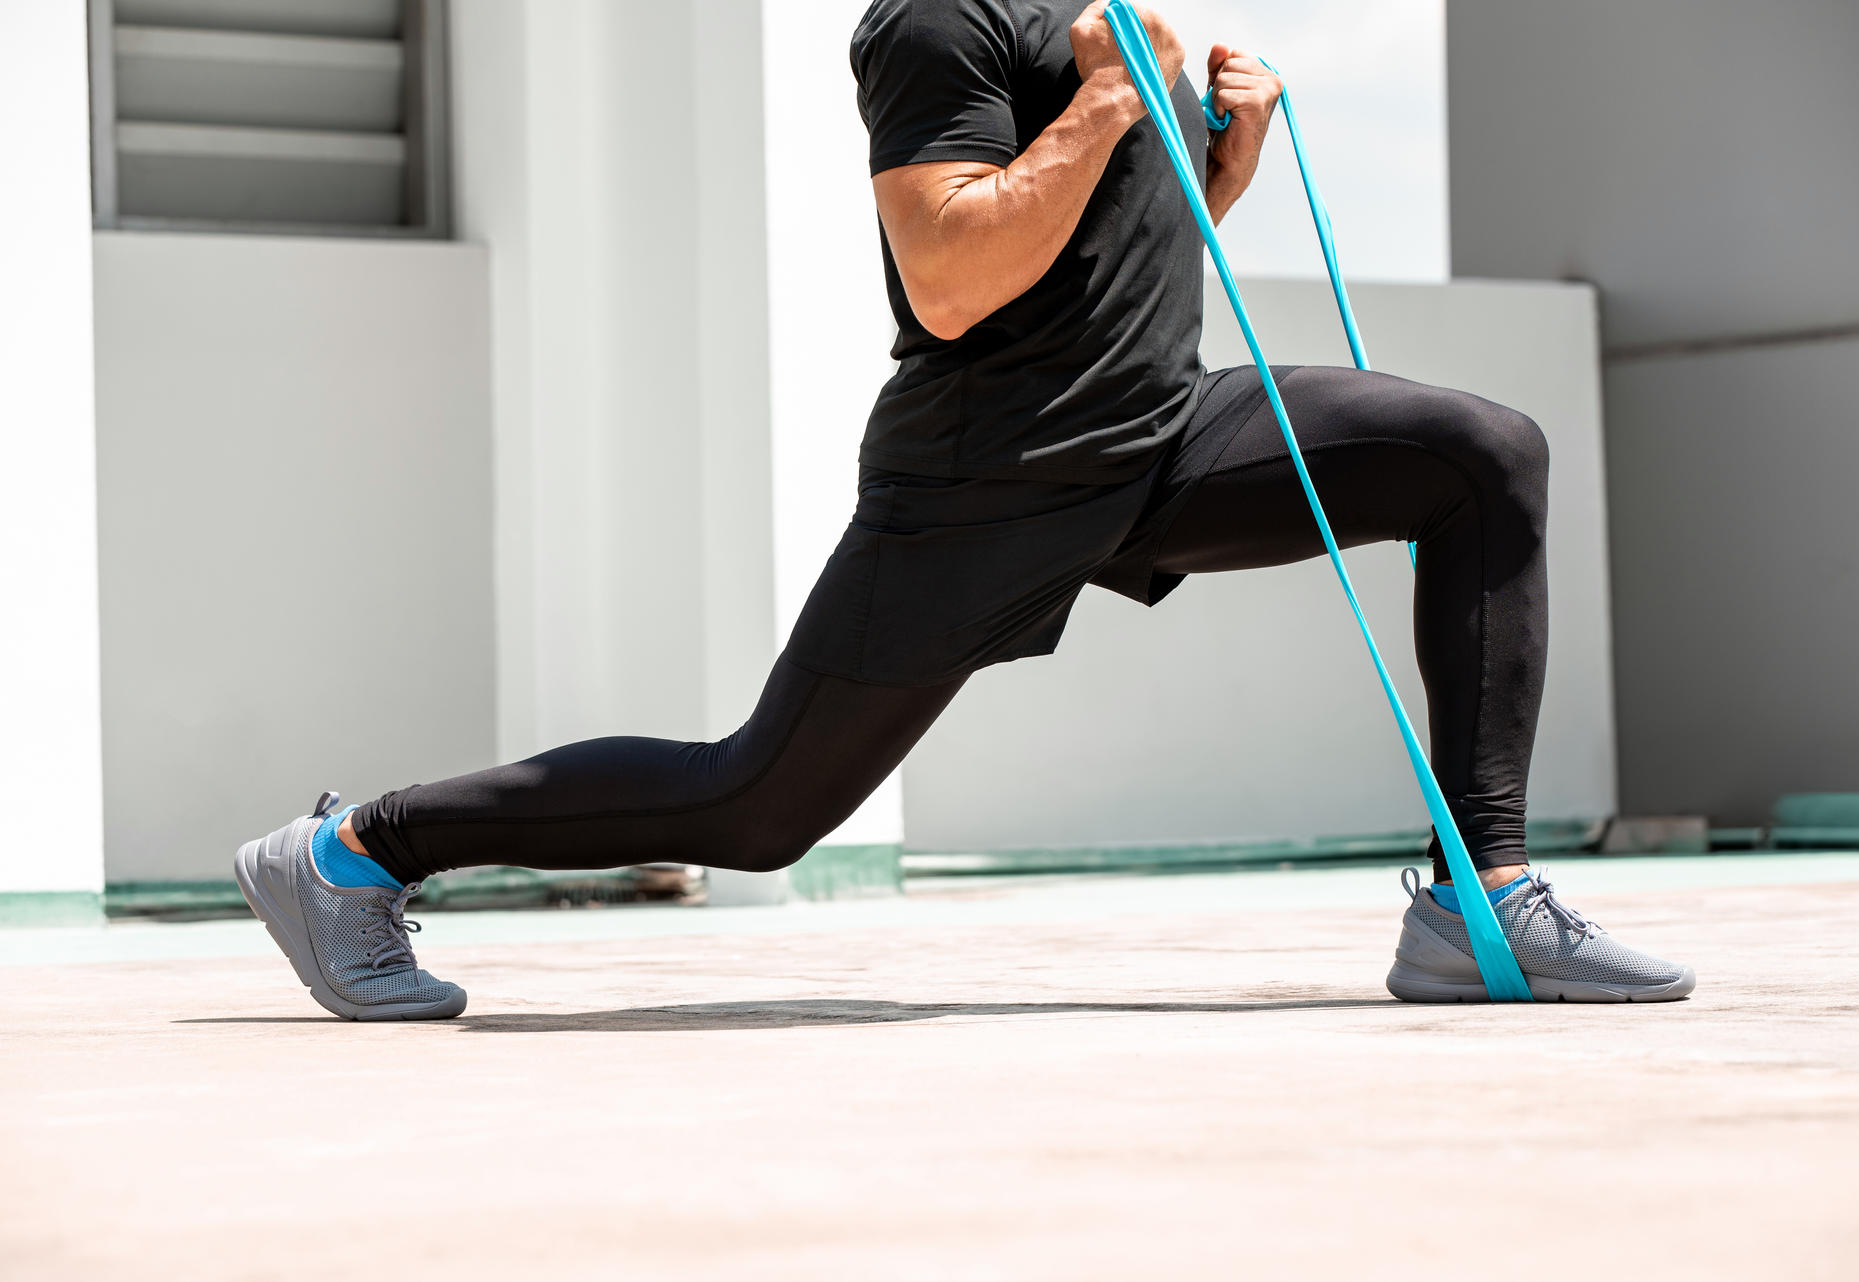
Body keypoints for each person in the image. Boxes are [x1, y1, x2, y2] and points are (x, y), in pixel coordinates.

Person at [233, 0, 1694, 1020]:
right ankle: (354, 851)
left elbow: (1099, 255)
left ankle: (1482, 902)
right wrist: (1110, 103)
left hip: (1160, 433)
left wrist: (1220, 168)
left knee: (1481, 453)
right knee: (756, 807)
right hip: (990, 477)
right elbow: (949, 276)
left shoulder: (1103, 12)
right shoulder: (936, 18)